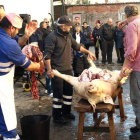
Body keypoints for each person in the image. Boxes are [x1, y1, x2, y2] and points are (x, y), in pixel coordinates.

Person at [44, 15, 96, 124]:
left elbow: (78, 47)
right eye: (69, 26)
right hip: (57, 71)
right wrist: (49, 69)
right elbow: (47, 55)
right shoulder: (52, 37)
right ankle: (57, 117)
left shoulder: (68, 36)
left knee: (68, 93)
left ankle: (66, 112)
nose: (70, 28)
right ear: (63, 26)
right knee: (58, 95)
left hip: (68, 69)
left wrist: (88, 52)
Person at [0, 13, 40, 140]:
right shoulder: (8, 44)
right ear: (11, 28)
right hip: (1, 87)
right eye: (17, 29)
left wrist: (27, 35)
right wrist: (39, 65)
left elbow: (16, 42)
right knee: (7, 120)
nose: (18, 32)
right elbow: (28, 66)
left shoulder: (4, 36)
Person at [120, 5, 140, 139]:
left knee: (137, 99)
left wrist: (124, 67)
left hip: (137, 67)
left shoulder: (132, 26)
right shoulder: (136, 23)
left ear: (126, 14)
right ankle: (138, 124)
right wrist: (126, 22)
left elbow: (132, 49)